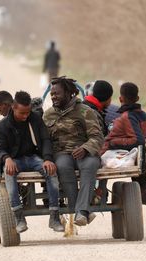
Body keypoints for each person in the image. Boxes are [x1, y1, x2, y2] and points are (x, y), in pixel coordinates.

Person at [0, 91, 63, 233]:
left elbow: (45, 140)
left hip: (33, 158)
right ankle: (19, 217)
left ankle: (54, 217)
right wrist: (7, 159)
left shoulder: (35, 118)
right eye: (22, 113)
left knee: (51, 171)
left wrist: (48, 159)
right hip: (15, 160)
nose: (25, 116)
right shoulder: (2, 125)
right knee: (9, 174)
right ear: (13, 107)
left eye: (27, 112)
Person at [43, 76, 103, 226]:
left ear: (69, 93)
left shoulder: (85, 111)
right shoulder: (48, 114)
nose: (53, 97)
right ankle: (81, 211)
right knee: (62, 167)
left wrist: (85, 148)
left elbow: (97, 137)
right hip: (62, 153)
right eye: (52, 94)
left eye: (57, 93)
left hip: (85, 152)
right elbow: (45, 140)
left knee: (89, 166)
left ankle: (81, 211)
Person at [102, 82, 146, 205]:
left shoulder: (127, 116)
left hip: (112, 150)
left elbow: (138, 140)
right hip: (121, 151)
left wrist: (113, 142)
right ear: (137, 98)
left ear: (120, 99)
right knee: (141, 150)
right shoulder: (144, 116)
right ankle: (143, 187)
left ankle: (142, 187)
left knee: (140, 149)